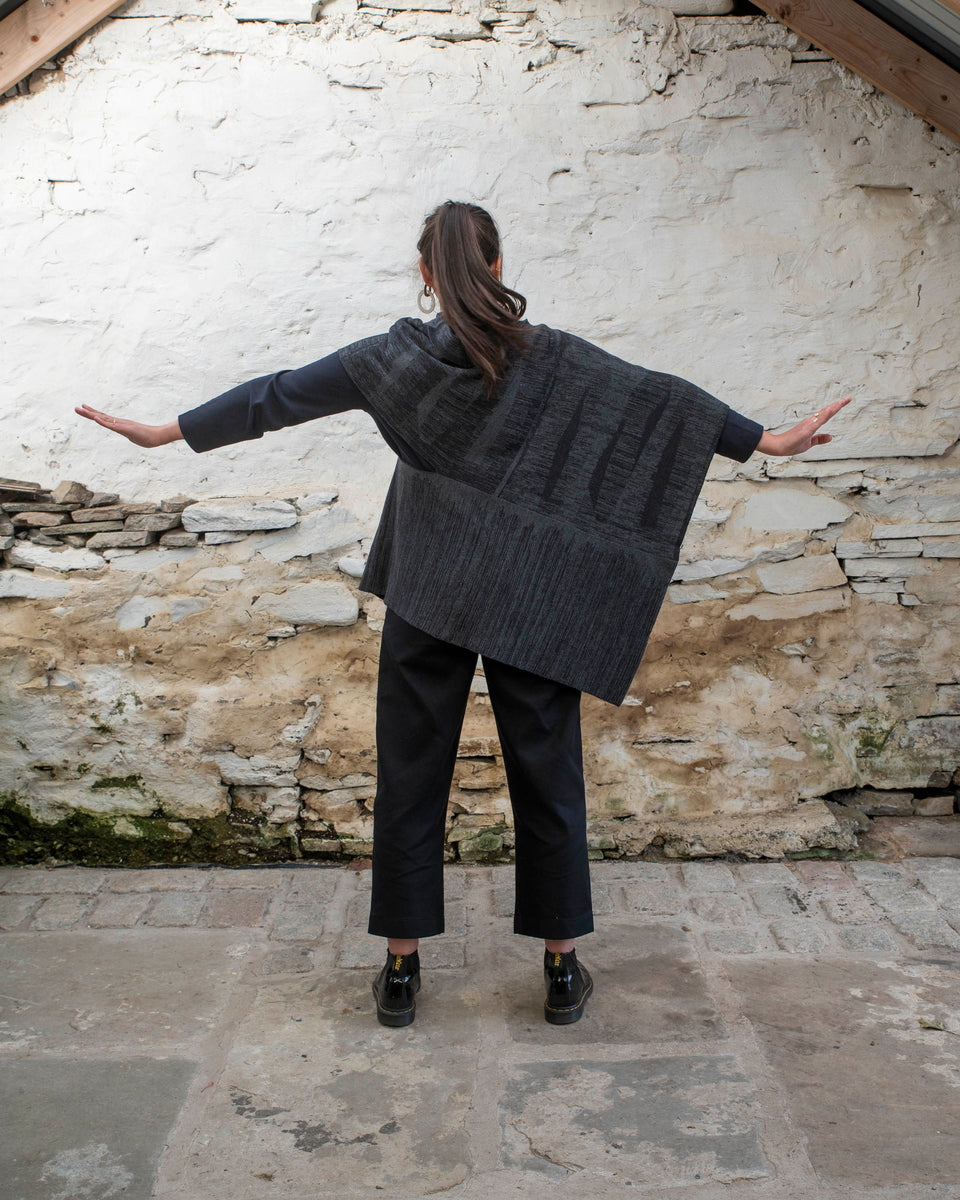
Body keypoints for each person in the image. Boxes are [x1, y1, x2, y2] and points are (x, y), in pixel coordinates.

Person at [77, 200, 850, 1028]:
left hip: (430, 592)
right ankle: (560, 969)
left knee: (411, 773)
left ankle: (402, 973)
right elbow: (662, 405)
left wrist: (168, 432)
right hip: (529, 598)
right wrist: (764, 440)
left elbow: (277, 397)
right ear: (497, 268)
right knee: (547, 775)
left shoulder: (390, 362)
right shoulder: (553, 360)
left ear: (424, 274)